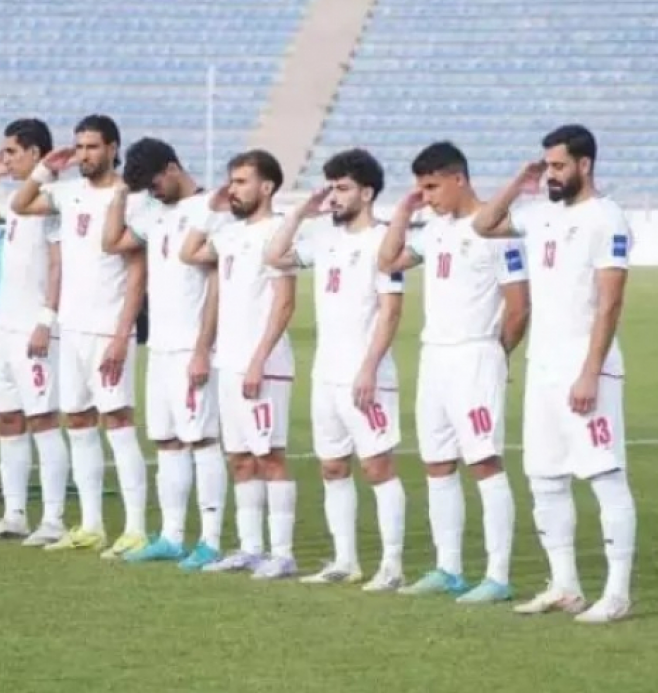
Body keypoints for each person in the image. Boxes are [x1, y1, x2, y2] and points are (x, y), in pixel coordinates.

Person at [472, 124, 636, 624]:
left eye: (559, 166)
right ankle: (565, 586)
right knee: (544, 478)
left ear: (585, 165)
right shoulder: (540, 215)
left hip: (586, 371)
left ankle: (617, 592)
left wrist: (590, 371)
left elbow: (610, 304)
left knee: (605, 476)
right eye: (547, 167)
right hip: (542, 370)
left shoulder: (607, 219)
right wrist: (518, 180)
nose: (552, 176)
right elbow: (483, 224)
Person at [379, 141, 530, 602]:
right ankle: (449, 568)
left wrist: (496, 356)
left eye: (431, 186)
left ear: (458, 178)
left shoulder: (497, 230)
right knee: (437, 463)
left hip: (474, 356)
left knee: (483, 460)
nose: (426, 196)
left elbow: (519, 308)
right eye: (420, 188)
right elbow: (387, 261)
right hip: (434, 358)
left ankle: (498, 575)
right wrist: (404, 213)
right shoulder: (434, 230)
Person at [264, 149, 406, 589]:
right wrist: (300, 213)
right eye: (331, 188)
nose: (334, 197)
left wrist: (369, 367)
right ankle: (346, 560)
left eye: (343, 188)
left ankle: (392, 565)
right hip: (326, 373)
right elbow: (275, 256)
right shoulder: (325, 239)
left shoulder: (384, 242)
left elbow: (390, 312)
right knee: (332, 468)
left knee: (378, 468)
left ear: (367, 192)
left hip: (367, 375)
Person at [10, 115, 149, 559]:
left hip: (107, 329)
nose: (84, 155)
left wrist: (122, 334)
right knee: (81, 423)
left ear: (112, 147)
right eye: (79, 147)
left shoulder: (131, 197)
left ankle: (135, 528)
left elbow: (137, 273)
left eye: (92, 147)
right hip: (71, 329)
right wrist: (45, 169)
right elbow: (20, 203)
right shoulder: (67, 194)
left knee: (120, 424)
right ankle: (91, 524)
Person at [101, 137, 229, 570]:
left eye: (154, 182)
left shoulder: (210, 208)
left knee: (203, 439)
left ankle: (210, 540)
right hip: (159, 345)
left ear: (173, 168)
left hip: (192, 347)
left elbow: (216, 285)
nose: (152, 191)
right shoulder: (154, 212)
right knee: (167, 440)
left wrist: (202, 348)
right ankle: (172, 535)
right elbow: (113, 241)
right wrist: (122, 193)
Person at [181, 150, 298, 580]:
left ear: (267, 187)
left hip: (262, 364)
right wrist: (211, 210)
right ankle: (251, 548)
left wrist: (259, 360)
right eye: (232, 181)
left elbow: (285, 302)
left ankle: (282, 553)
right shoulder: (228, 234)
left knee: (270, 457)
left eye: (243, 181)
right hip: (227, 363)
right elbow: (189, 251)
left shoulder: (280, 233)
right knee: (241, 459)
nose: (234, 188)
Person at [0, 118, 70, 545]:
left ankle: (55, 519)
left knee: (43, 419)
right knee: (7, 419)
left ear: (34, 154)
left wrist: (47, 319)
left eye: (10, 151)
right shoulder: (11, 200)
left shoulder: (55, 200)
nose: (4, 157)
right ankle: (14, 514)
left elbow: (60, 264)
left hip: (35, 326)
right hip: (5, 327)